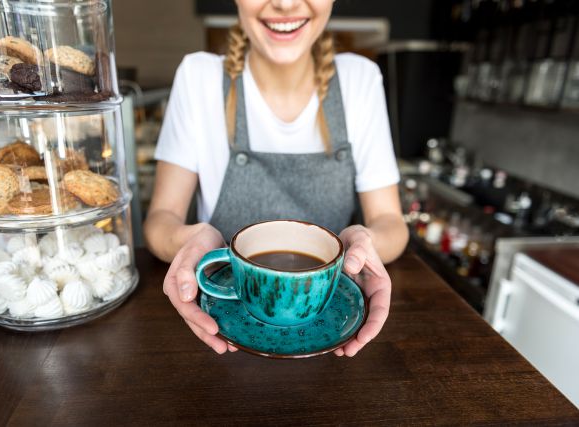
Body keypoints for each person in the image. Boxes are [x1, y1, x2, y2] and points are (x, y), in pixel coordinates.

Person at [144, 0, 409, 357]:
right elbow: (160, 221)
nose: (284, 4)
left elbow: (391, 223)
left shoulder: (360, 80)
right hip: (223, 332)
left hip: (325, 329)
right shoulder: (199, 77)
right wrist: (189, 237)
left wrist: (364, 242)